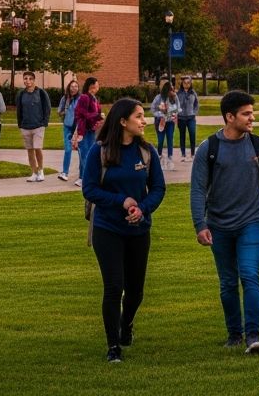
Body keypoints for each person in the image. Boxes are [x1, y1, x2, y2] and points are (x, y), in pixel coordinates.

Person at [191, 90, 259, 355]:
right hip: (218, 225)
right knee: (228, 282)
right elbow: (197, 189)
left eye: (251, 112)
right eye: (246, 113)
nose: (252, 117)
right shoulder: (209, 148)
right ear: (230, 117)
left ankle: (253, 335)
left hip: (251, 222)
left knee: (250, 275)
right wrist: (200, 224)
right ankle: (234, 334)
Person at [83, 97, 166, 362]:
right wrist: (122, 201)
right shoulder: (100, 152)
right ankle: (113, 347)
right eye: (139, 116)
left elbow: (158, 188)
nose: (144, 121)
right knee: (113, 287)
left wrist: (142, 208)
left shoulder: (147, 151)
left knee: (135, 291)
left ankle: (126, 324)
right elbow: (90, 189)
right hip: (107, 228)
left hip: (139, 230)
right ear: (122, 121)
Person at [16, 70, 51, 182]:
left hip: (38, 126)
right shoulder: (21, 94)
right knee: (30, 150)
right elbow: (19, 110)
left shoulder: (41, 93)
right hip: (25, 126)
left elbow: (47, 108)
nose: (28, 81)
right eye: (25, 78)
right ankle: (34, 172)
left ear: (34, 80)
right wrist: (20, 124)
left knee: (37, 148)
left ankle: (41, 170)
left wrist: (44, 122)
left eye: (30, 79)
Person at [73, 76, 104, 186]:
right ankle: (87, 179)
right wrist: (97, 115)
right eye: (97, 85)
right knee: (85, 155)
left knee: (88, 154)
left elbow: (96, 113)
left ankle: (83, 178)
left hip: (91, 130)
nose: (98, 87)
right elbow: (82, 114)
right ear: (92, 86)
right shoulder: (85, 97)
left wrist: (99, 117)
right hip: (84, 130)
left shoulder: (94, 98)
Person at [150, 80, 178, 170]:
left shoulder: (174, 97)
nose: (172, 91)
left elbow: (177, 108)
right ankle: (159, 155)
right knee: (160, 140)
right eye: (170, 89)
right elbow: (153, 109)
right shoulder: (158, 98)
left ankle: (170, 157)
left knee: (170, 139)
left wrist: (172, 113)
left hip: (170, 122)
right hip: (160, 122)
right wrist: (161, 114)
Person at [57, 78, 81, 181]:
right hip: (67, 126)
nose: (74, 88)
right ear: (69, 88)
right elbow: (59, 111)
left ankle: (82, 175)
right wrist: (66, 112)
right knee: (67, 150)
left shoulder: (81, 99)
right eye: (72, 86)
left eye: (76, 86)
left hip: (79, 127)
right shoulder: (65, 98)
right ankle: (65, 173)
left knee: (81, 151)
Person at [176, 75, 200, 161]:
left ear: (190, 84)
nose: (186, 84)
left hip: (191, 118)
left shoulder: (193, 93)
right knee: (182, 136)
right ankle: (183, 155)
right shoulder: (178, 94)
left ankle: (193, 154)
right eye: (184, 83)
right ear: (182, 84)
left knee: (192, 135)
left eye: (188, 83)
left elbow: (196, 104)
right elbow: (175, 105)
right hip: (181, 118)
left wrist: (194, 112)